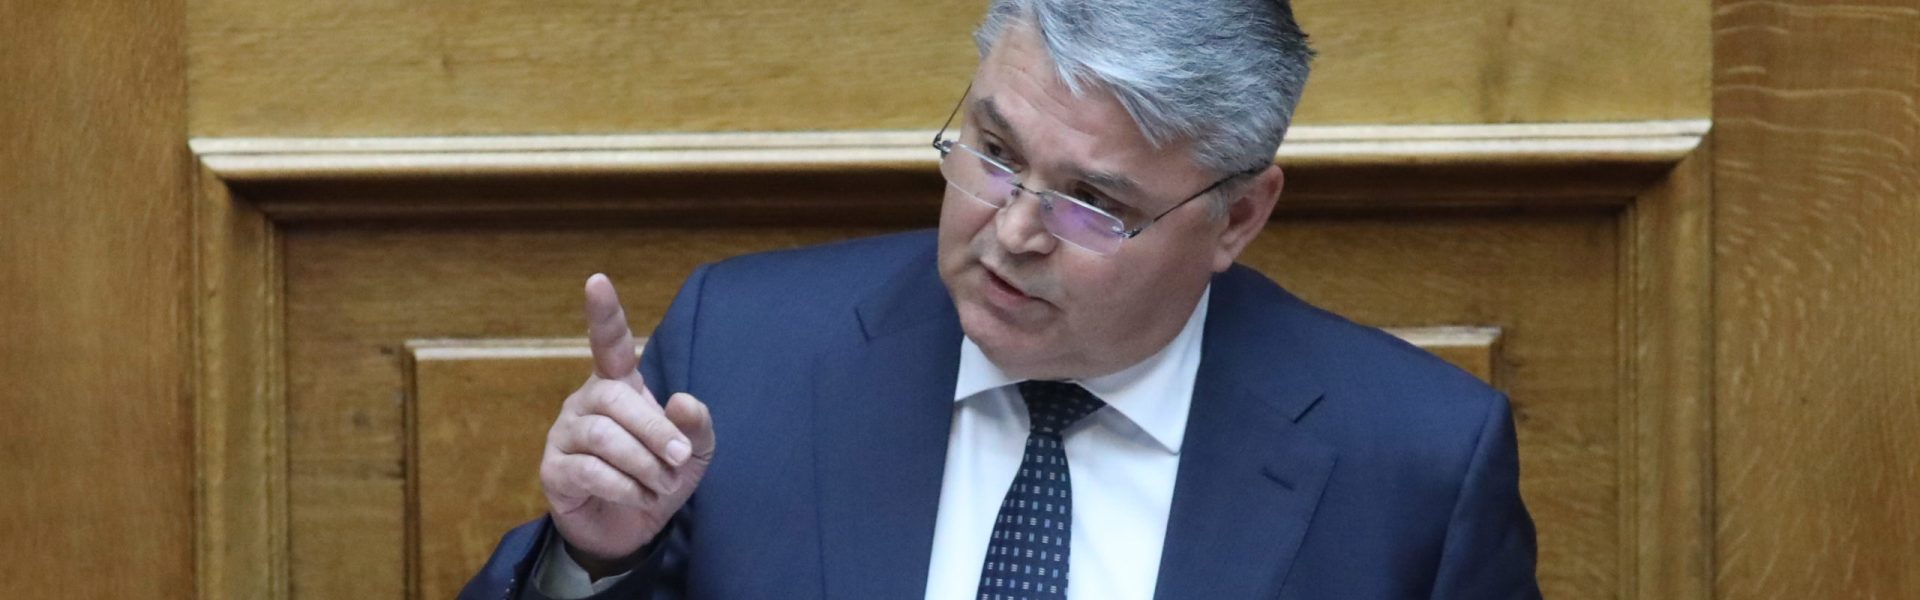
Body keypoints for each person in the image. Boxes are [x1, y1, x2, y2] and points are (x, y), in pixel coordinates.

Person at [463, 0, 1541, 598]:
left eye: (1094, 203)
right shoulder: (742, 353)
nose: (1014, 231)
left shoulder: (1417, 468)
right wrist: (594, 562)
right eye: (994, 152)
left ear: (1239, 217)